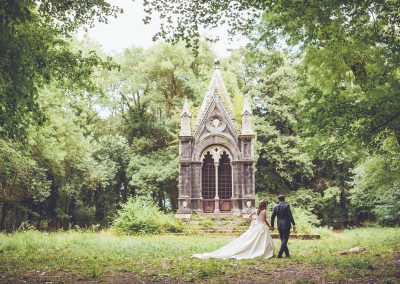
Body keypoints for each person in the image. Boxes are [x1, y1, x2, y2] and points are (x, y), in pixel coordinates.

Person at [192, 201, 274, 259]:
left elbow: (249, 216)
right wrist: (270, 227)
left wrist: (253, 221)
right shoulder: (264, 211)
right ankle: (261, 251)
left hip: (257, 226)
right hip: (261, 227)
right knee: (261, 240)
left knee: (253, 239)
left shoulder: (256, 210)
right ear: (264, 206)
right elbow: (265, 220)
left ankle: (256, 249)